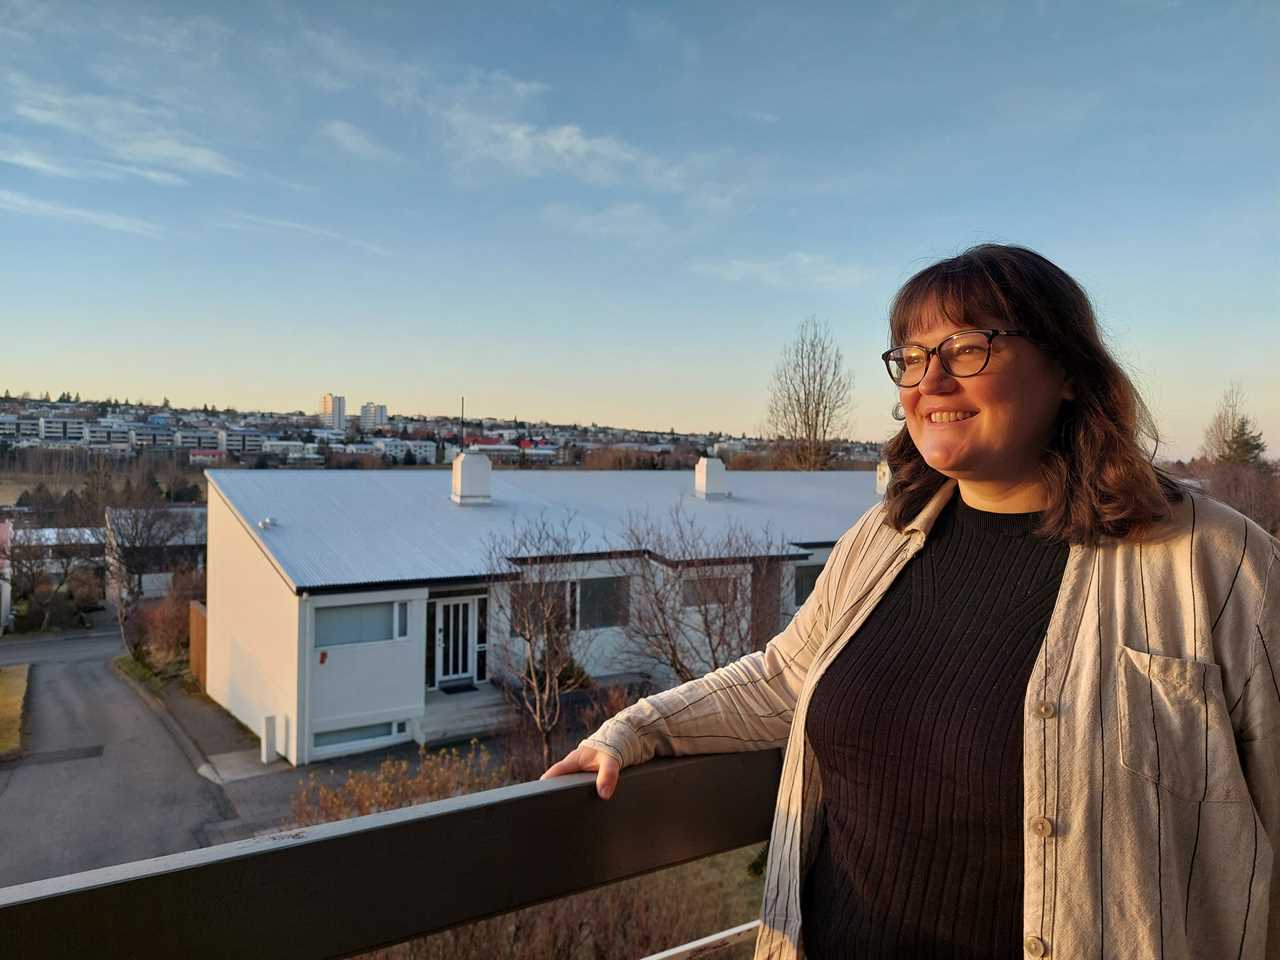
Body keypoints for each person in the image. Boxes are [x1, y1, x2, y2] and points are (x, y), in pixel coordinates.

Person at [542, 244, 1280, 960]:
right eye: (913, 357)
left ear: (1067, 371)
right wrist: (634, 729)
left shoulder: (1212, 563)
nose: (931, 381)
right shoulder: (884, 537)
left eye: (967, 349)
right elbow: (786, 675)